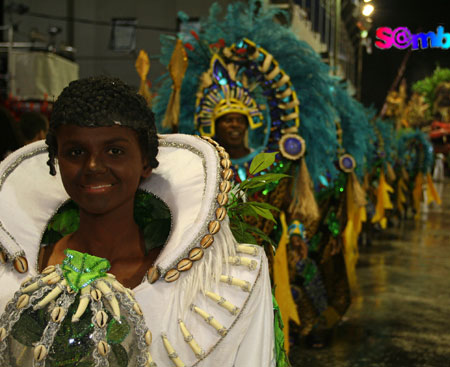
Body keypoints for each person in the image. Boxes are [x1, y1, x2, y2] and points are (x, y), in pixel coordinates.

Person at [0, 76, 274, 366]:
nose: (93, 166)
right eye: (75, 152)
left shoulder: (225, 283)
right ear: (57, 161)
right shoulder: (11, 278)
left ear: (146, 162)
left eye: (115, 151)